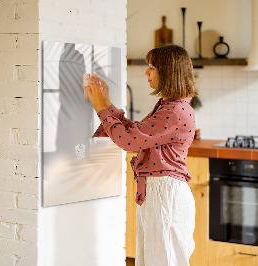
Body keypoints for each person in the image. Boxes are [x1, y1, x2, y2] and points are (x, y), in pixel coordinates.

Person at [84, 44, 197, 266]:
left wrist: (100, 108)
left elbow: (128, 141)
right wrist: (106, 103)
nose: (146, 72)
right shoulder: (170, 106)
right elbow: (136, 133)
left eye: (152, 67)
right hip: (159, 194)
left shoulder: (174, 111)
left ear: (168, 71)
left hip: (165, 195)